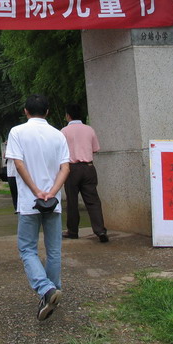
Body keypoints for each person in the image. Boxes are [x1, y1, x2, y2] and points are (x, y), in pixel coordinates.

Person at [5, 94, 70, 321]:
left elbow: (18, 164)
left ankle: (46, 289)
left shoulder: (17, 132)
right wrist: (52, 192)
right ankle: (51, 291)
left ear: (25, 111)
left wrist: (36, 191)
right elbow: (65, 168)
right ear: (47, 111)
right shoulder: (58, 134)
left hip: (29, 202)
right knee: (54, 250)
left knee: (27, 249)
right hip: (53, 202)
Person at [60, 104, 108, 243]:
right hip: (88, 167)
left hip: (71, 169)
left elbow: (60, 151)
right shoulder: (89, 129)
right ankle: (100, 230)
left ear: (68, 115)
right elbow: (95, 149)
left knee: (72, 201)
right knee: (93, 201)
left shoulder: (64, 131)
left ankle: (73, 231)